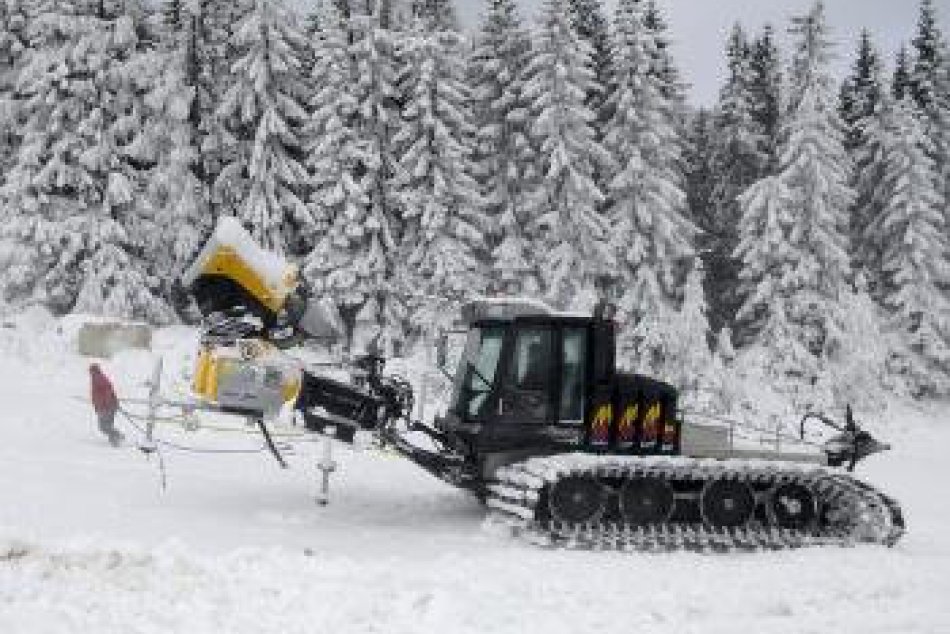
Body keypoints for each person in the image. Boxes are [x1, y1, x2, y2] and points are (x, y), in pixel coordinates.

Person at [89, 363, 124, 447]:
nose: (90, 373)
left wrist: (106, 404)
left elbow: (107, 391)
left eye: (91, 371)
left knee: (103, 427)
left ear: (93, 371)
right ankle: (116, 438)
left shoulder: (98, 379)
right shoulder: (98, 378)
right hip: (107, 406)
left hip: (106, 407)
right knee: (107, 425)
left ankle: (116, 437)